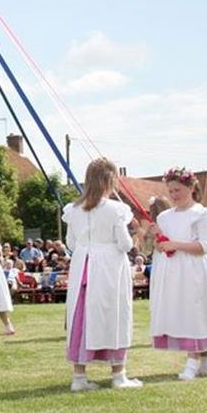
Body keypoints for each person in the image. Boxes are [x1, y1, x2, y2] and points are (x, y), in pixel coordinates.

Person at [149, 168, 207, 380]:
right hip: (174, 270)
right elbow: (162, 247)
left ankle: (193, 360)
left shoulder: (201, 214)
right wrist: (159, 240)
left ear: (191, 188)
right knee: (184, 311)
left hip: (195, 270)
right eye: (171, 190)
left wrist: (175, 244)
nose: (174, 194)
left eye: (178, 190)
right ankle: (206, 360)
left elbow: (205, 246)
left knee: (196, 311)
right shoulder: (164, 217)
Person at [62, 157, 142, 391]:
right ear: (110, 180)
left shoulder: (73, 209)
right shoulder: (116, 210)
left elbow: (71, 243)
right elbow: (125, 244)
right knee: (114, 313)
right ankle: (119, 375)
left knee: (80, 316)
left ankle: (79, 377)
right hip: (109, 267)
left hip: (82, 266)